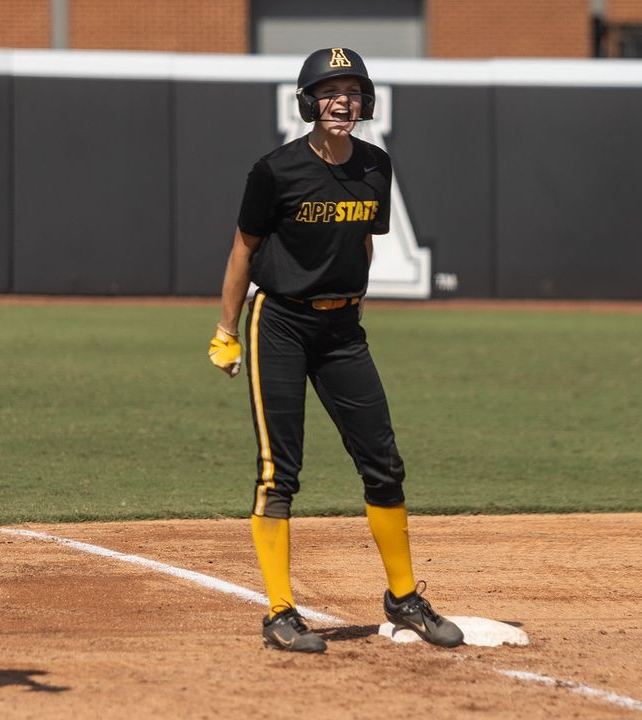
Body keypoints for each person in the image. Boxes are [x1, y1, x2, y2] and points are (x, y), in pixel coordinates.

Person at [208, 47, 463, 653]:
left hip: (343, 329)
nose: (341, 101)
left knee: (383, 461)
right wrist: (225, 329)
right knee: (280, 474)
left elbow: (364, 244)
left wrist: (355, 305)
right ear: (307, 102)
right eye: (328, 91)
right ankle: (279, 612)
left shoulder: (375, 166)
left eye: (351, 91)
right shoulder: (275, 171)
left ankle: (403, 599)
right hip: (280, 325)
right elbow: (243, 250)